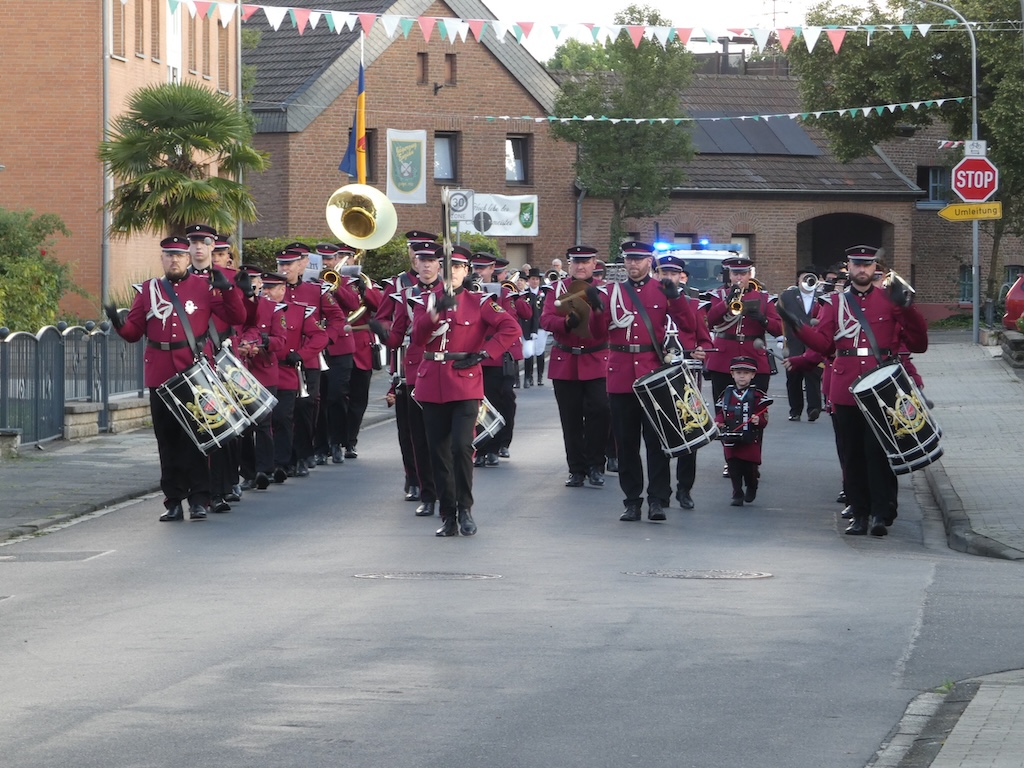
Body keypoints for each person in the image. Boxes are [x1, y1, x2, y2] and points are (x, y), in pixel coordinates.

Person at [778, 244, 928, 536]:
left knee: (879, 453)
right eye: (857, 264)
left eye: (868, 265)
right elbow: (824, 345)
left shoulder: (889, 301)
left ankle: (880, 514)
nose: (862, 269)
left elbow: (919, 344)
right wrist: (797, 327)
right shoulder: (835, 303)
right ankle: (859, 514)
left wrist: (907, 308)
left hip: (881, 386)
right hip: (845, 388)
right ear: (849, 267)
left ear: (875, 268)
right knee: (852, 454)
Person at [104, 236, 247, 522]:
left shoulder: (203, 287)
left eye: (179, 256)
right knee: (166, 440)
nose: (174, 260)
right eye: (169, 255)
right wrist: (119, 323)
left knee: (196, 438)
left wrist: (228, 290)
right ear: (162, 259)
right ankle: (173, 499)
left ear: (187, 259)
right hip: (159, 372)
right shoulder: (149, 290)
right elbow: (134, 332)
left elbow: (238, 315)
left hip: (191, 371)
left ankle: (198, 499)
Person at [411, 247, 521, 537]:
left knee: (462, 447)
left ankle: (465, 509)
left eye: (457, 267)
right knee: (439, 453)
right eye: (446, 267)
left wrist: (486, 353)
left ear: (465, 271)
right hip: (432, 382)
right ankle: (447, 513)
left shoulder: (480, 301)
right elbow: (418, 337)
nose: (452, 273)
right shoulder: (424, 300)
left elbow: (511, 329)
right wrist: (436, 309)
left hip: (465, 381)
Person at [605, 241, 696, 522]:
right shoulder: (612, 292)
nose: (633, 264)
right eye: (629, 260)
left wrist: (677, 298)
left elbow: (689, 324)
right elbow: (595, 333)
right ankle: (632, 500)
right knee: (626, 443)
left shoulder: (661, 290)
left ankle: (657, 498)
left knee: (657, 442)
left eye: (639, 260)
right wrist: (593, 310)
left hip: (652, 373)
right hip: (620, 374)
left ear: (649, 262)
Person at [539, 244, 610, 488]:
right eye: (576, 262)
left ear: (594, 264)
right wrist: (565, 323)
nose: (580, 266)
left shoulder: (605, 290)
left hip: (596, 359)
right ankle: (576, 469)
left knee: (600, 412)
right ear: (569, 264)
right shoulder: (556, 289)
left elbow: (610, 324)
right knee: (570, 418)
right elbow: (546, 319)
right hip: (566, 360)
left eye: (586, 262)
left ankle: (596, 464)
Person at [384, 240, 446, 516]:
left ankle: (448, 492)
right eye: (422, 260)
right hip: (414, 373)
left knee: (442, 438)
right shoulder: (406, 296)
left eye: (432, 260)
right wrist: (383, 333)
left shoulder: (452, 292)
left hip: (444, 371)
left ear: (439, 264)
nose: (427, 265)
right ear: (415, 263)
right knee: (418, 437)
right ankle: (427, 492)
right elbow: (397, 337)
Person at [374, 230, 436, 503]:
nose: (420, 260)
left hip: (439, 364)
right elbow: (388, 322)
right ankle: (413, 478)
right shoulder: (398, 285)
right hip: (407, 365)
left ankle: (437, 482)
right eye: (415, 252)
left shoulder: (447, 287)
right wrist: (383, 331)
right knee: (409, 430)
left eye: (427, 256)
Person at [656, 253, 713, 509]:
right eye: (663, 272)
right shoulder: (649, 302)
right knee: (659, 436)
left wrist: (701, 350)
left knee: (690, 433)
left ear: (682, 276)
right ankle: (662, 490)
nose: (667, 277)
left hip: (687, 377)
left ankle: (684, 489)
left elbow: (705, 340)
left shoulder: (694, 305)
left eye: (672, 273)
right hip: (656, 376)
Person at [262, 271, 329, 484]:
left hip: (285, 371)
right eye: (264, 288)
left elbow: (320, 336)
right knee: (262, 422)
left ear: (283, 290)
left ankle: (284, 463)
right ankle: (262, 467)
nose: (267, 293)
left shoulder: (299, 312)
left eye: (272, 288)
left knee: (283, 417)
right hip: (260, 371)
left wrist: (301, 354)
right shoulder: (256, 310)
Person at [471, 252, 532, 466]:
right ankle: (480, 447)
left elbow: (516, 319)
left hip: (498, 355)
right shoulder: (466, 292)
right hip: (474, 355)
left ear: (492, 270)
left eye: (483, 268)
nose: (478, 272)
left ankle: (498, 444)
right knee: (478, 404)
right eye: (475, 268)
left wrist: (516, 295)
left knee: (502, 399)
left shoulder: (504, 293)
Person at [312, 242, 360, 465]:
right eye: (321, 259)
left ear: (336, 260)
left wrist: (334, 286)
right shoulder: (308, 284)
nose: (325, 263)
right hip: (314, 347)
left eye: (329, 259)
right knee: (316, 400)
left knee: (337, 396)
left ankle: (337, 443)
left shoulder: (345, 281)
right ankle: (320, 446)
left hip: (340, 347)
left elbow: (352, 303)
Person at [715, 356, 770, 506]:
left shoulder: (758, 395)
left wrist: (759, 421)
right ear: (732, 374)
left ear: (753, 375)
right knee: (733, 466)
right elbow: (721, 412)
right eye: (738, 372)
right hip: (731, 437)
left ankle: (752, 485)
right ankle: (737, 492)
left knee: (749, 468)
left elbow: (763, 414)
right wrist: (718, 421)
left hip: (750, 439)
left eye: (746, 373)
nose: (742, 376)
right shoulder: (726, 394)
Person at [783, 265, 824, 422]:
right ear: (798, 280)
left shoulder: (822, 297)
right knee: (793, 378)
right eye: (803, 277)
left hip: (813, 343)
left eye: (810, 278)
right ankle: (795, 410)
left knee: (813, 377)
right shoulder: (787, 296)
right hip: (794, 342)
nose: (807, 281)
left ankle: (814, 409)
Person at [520, 268, 546, 387]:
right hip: (528, 326)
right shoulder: (525, 294)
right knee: (528, 352)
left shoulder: (544, 294)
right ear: (528, 281)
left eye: (536, 279)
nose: (534, 281)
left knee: (539, 351)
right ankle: (528, 377)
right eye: (532, 279)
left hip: (541, 326)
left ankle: (539, 377)